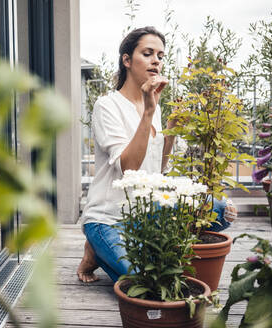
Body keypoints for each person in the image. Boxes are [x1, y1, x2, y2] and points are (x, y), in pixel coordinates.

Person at [76, 27, 237, 283]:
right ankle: (96, 248)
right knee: (143, 280)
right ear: (127, 60)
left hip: (148, 213)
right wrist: (149, 112)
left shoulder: (154, 105)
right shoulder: (107, 106)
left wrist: (170, 131)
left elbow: (157, 169)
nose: (156, 61)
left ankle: (148, 246)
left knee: (223, 210)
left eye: (160, 56)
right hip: (110, 217)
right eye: (148, 53)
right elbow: (129, 169)